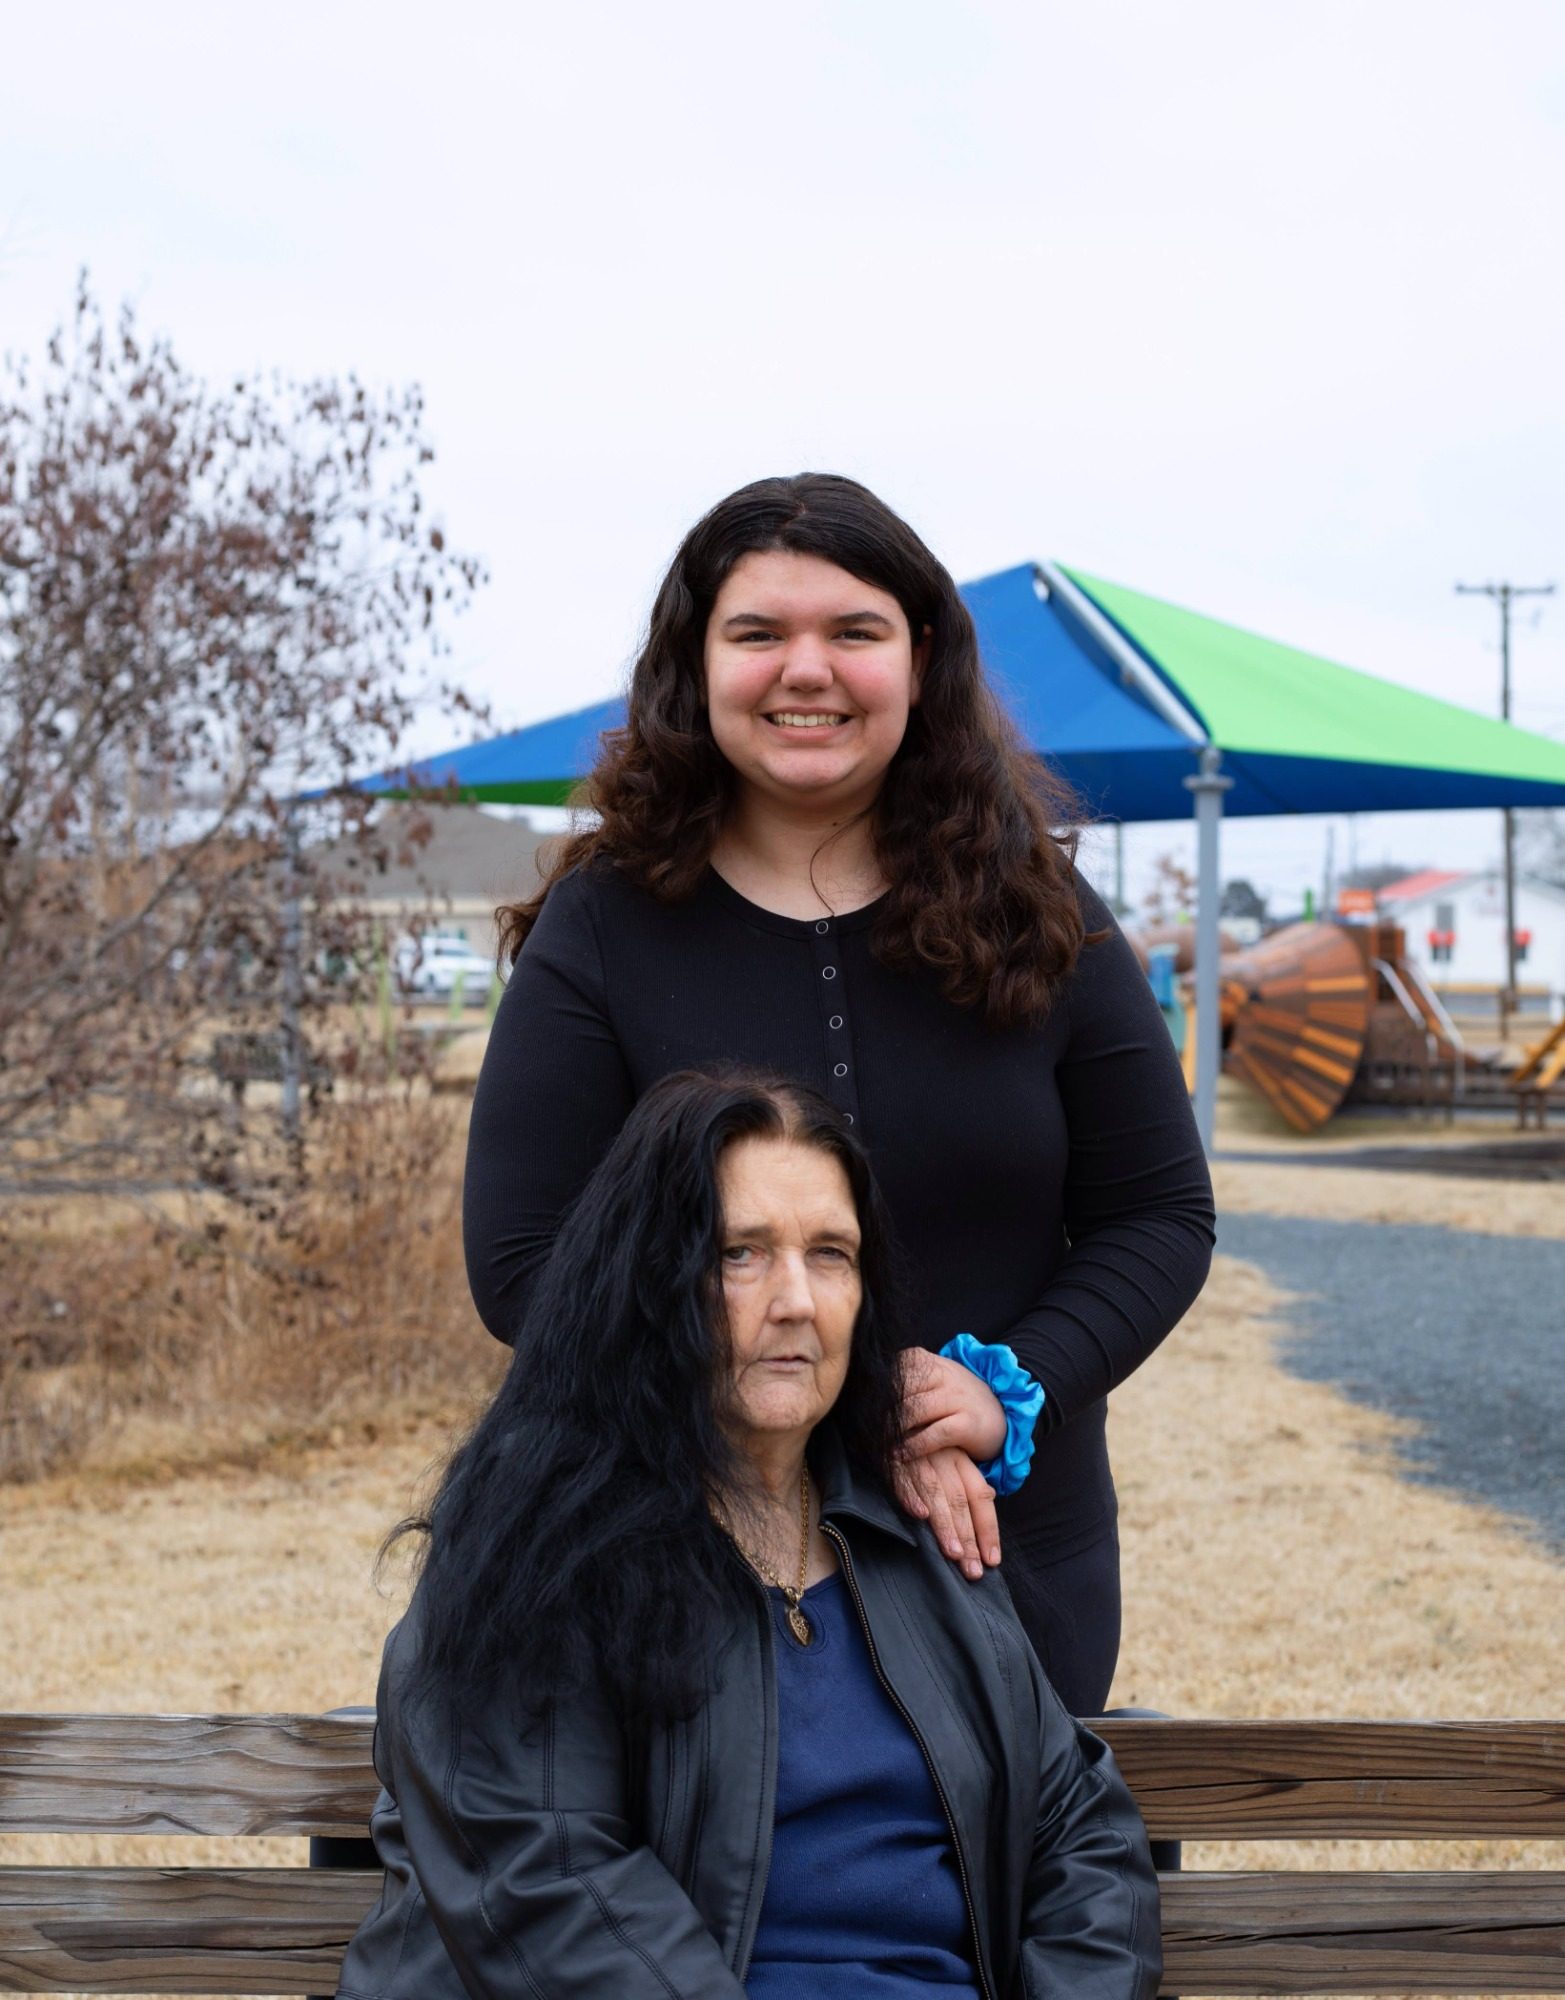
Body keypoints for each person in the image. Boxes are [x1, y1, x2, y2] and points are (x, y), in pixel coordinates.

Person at [463, 472, 1215, 1715]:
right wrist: (806, 1415)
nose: (803, 669)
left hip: (999, 1546)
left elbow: (1158, 1215)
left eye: (852, 631)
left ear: (919, 660)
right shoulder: (600, 927)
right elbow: (520, 1263)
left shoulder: (1039, 912)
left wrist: (1000, 1387)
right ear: (695, 664)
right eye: (757, 632)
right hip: (684, 1547)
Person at [336, 1071, 1162, 2000]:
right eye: (739, 1253)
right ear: (643, 1279)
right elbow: (545, 1885)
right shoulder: (533, 1551)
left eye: (831, 1254)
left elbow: (1077, 1829)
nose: (796, 1300)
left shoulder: (912, 1531)